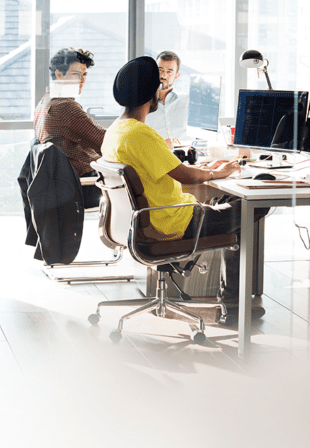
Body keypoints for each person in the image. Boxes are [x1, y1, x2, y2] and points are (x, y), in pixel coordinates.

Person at [102, 56, 263, 322]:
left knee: (228, 199)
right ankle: (234, 306)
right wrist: (217, 172)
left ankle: (233, 300)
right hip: (174, 222)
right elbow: (185, 175)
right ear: (151, 93)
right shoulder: (141, 134)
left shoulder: (116, 130)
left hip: (151, 219)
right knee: (252, 204)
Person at [33, 47, 106, 207]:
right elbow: (105, 142)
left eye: (84, 74)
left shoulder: (44, 102)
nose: (82, 80)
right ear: (59, 74)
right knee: (141, 179)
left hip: (61, 185)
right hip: (83, 186)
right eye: (76, 74)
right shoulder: (66, 107)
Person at [143, 50, 189, 147]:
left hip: (185, 154)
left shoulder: (187, 101)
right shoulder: (141, 104)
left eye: (169, 72)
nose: (163, 76)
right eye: (160, 70)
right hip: (155, 154)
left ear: (177, 76)